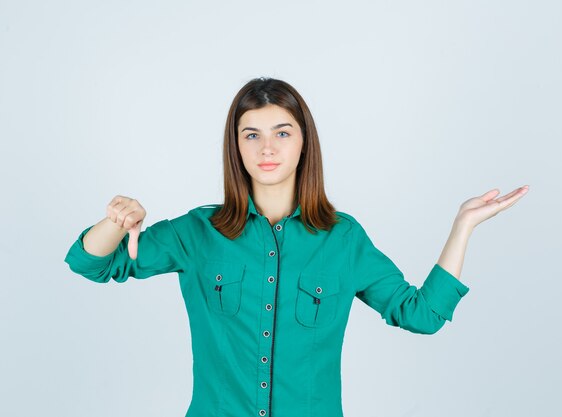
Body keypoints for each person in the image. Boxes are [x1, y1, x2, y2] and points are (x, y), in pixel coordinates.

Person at [64, 77, 529, 417]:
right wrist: (116, 220)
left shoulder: (342, 238)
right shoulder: (197, 232)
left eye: (282, 133)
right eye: (252, 135)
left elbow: (421, 314)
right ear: (237, 148)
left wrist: (463, 225)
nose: (267, 147)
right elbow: (92, 263)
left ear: (304, 143)